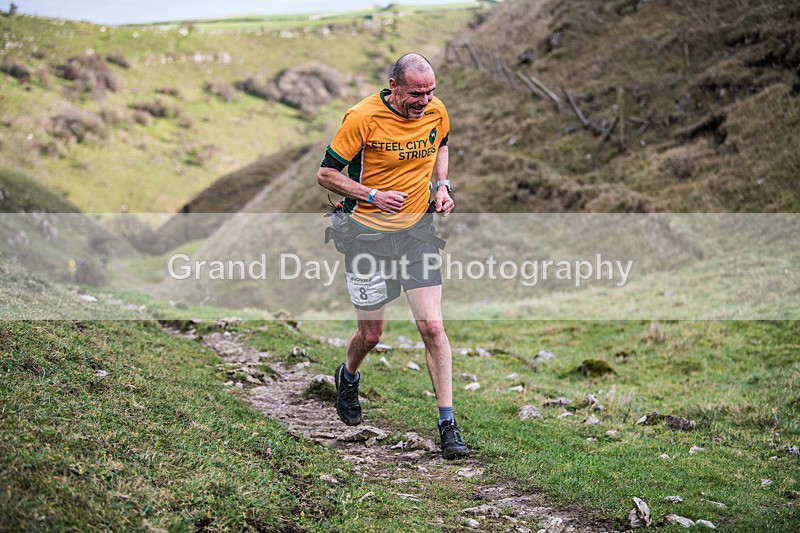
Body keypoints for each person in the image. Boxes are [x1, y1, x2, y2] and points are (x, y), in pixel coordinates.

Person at [317, 53, 469, 459]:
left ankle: (447, 423)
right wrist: (371, 195)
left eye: (430, 92)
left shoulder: (436, 110)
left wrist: (442, 186)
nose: (424, 101)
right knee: (371, 335)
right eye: (416, 94)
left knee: (433, 327)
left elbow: (443, 144)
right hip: (366, 238)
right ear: (394, 85)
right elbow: (326, 174)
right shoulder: (362, 117)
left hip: (417, 233)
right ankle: (348, 376)